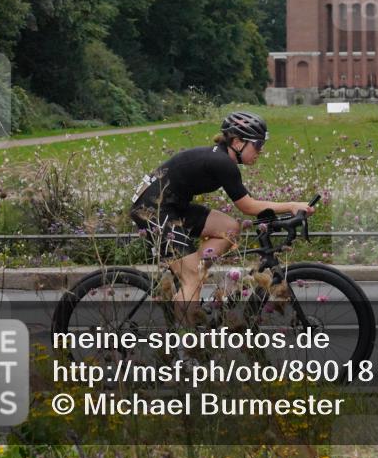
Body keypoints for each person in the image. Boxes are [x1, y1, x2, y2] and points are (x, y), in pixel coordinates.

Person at [129, 111, 314, 323]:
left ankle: (194, 280)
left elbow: (252, 205)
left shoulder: (223, 159)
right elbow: (248, 206)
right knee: (192, 278)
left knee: (230, 228)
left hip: (173, 207)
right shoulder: (222, 163)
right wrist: (291, 206)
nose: (260, 151)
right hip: (152, 210)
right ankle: (184, 347)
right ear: (237, 142)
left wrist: (273, 218)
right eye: (258, 145)